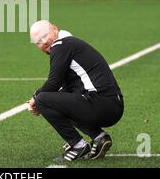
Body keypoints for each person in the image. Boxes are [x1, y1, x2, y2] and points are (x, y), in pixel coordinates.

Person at [27, 20, 124, 162]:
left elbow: (53, 82)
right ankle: (99, 138)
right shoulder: (69, 43)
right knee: (53, 100)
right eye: (38, 41)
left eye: (45, 36)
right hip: (110, 105)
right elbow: (63, 90)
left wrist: (35, 100)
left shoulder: (61, 46)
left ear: (55, 28)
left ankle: (78, 145)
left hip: (101, 103)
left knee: (43, 99)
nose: (44, 42)